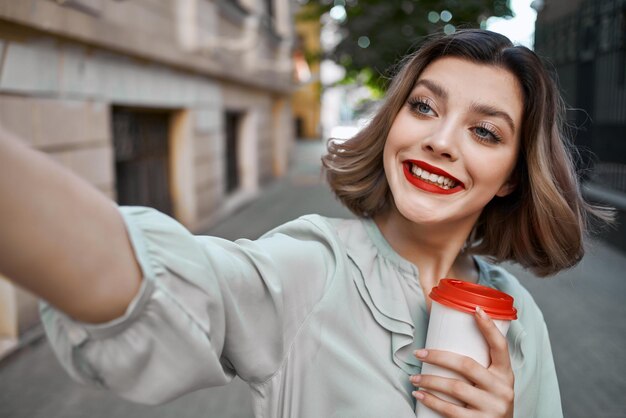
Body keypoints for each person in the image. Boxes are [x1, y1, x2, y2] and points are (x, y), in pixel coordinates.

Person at [0, 29, 610, 417]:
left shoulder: (517, 317)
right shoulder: (312, 266)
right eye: (423, 106)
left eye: (484, 131)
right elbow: (153, 284)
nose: (439, 140)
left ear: (510, 176)